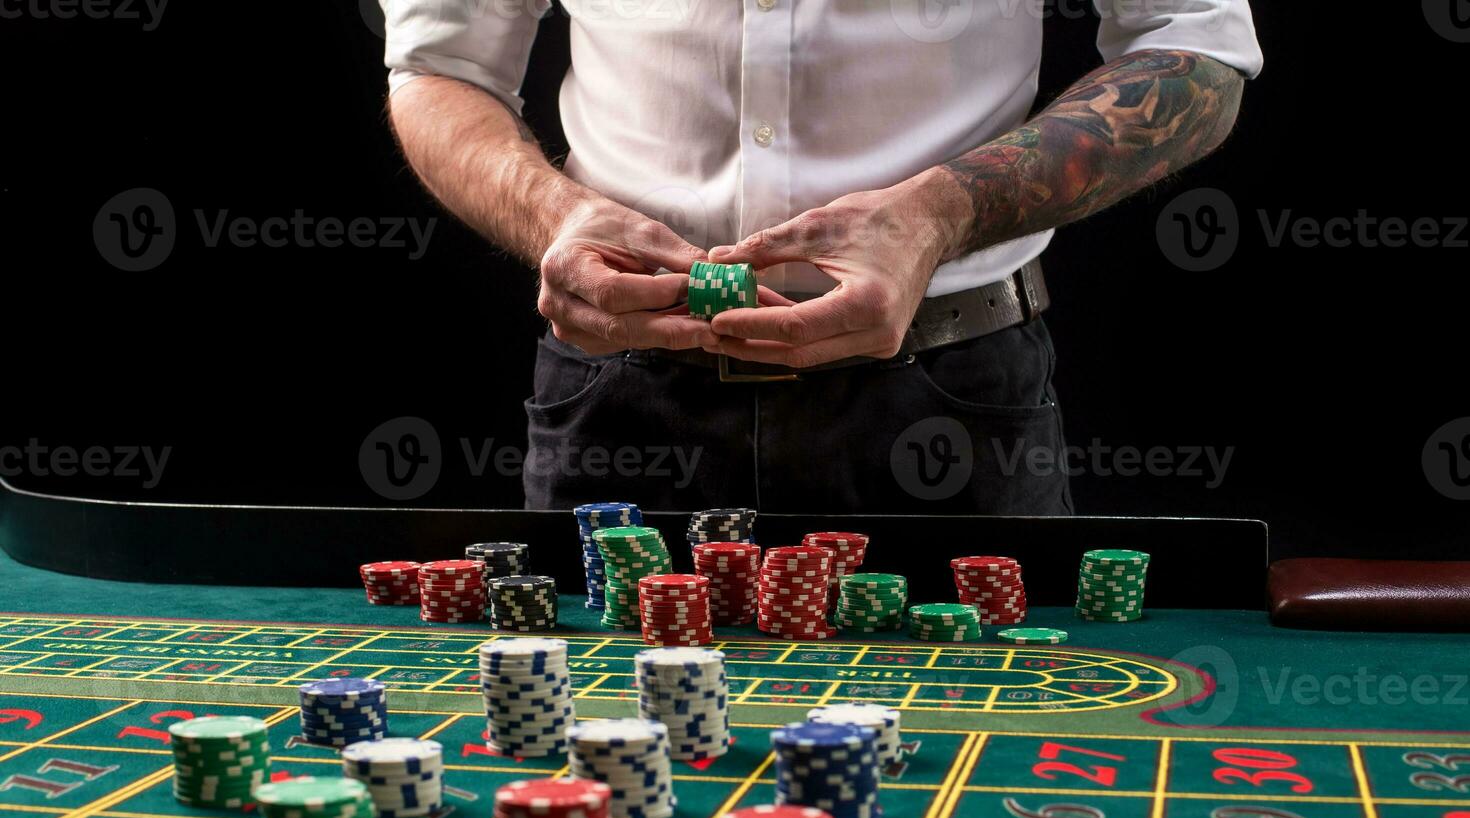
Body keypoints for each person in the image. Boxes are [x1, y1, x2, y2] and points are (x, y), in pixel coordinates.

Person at [382, 1, 1263, 514]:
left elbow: (1194, 49)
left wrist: (940, 214)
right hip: (618, 391)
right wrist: (553, 216)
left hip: (953, 391)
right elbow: (438, 67)